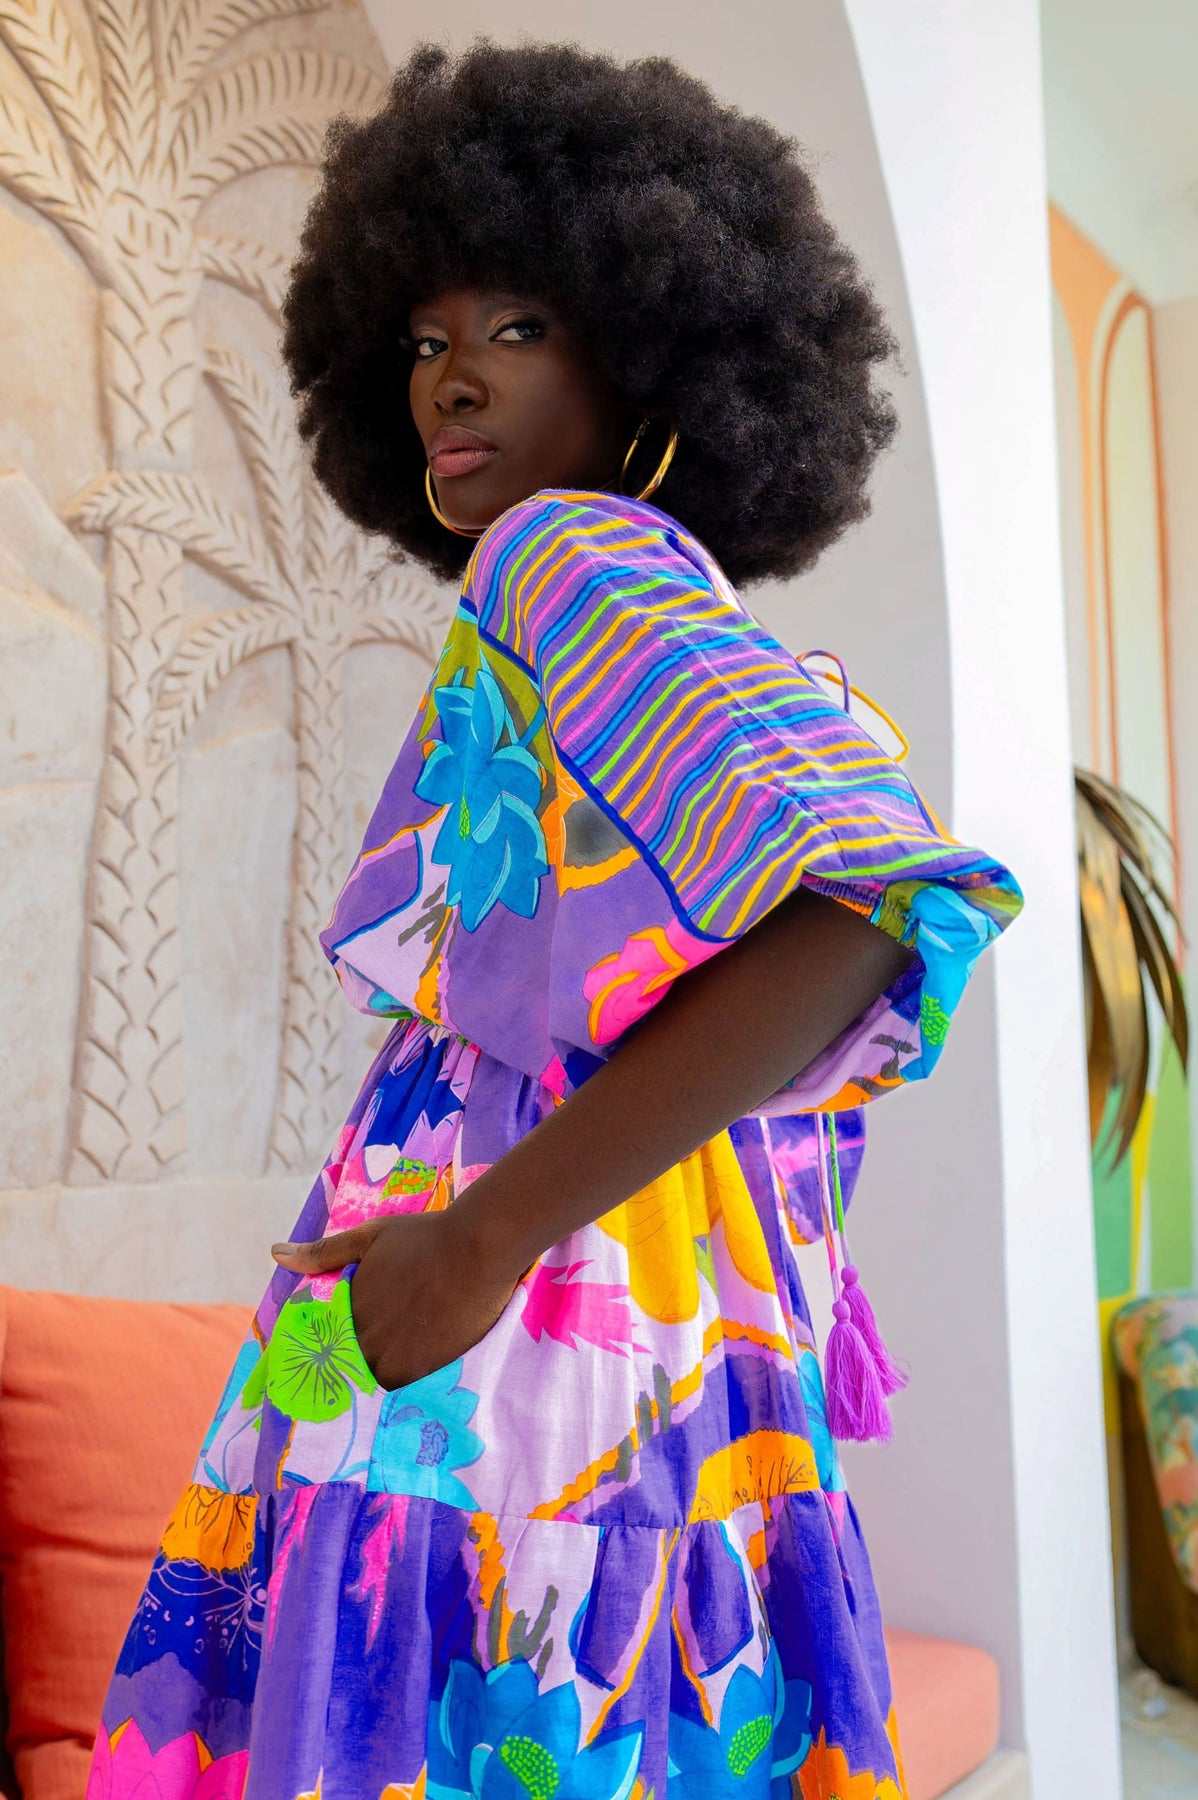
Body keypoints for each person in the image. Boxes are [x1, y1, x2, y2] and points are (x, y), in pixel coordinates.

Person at [89, 41, 1022, 1800]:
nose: (451, 378)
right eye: (422, 339)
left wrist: (479, 1239)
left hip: (528, 1296)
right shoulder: (638, 579)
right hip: (635, 1282)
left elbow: (874, 903)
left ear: (650, 354)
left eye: (516, 328)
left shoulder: (563, 556)